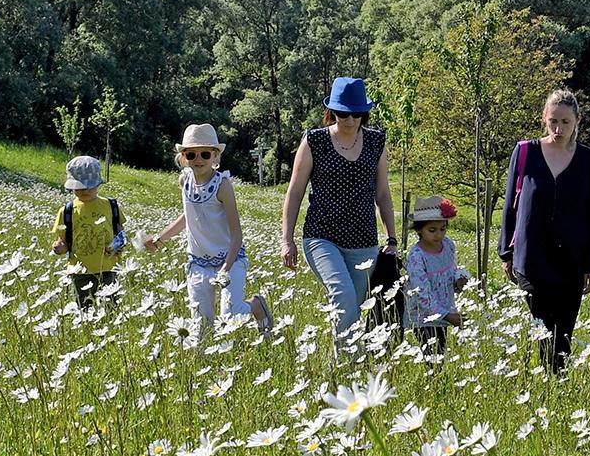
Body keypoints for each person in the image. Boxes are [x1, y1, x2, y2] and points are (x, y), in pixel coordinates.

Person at [282, 77, 397, 359]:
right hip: (321, 236)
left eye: (356, 113)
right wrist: (287, 240)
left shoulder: (376, 141)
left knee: (354, 308)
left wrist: (391, 238)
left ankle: (341, 366)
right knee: (343, 297)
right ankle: (350, 365)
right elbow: (295, 192)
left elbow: (382, 194)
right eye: (343, 113)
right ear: (332, 111)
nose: (350, 119)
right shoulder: (314, 141)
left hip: (364, 241)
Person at [498, 90, 590, 374]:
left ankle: (558, 390)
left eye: (565, 122)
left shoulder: (589, 161)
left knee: (564, 337)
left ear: (577, 121)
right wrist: (506, 254)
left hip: (572, 262)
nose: (558, 129)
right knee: (543, 332)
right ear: (544, 118)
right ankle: (546, 387)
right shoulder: (525, 153)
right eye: (553, 121)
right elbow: (510, 206)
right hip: (532, 259)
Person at [145, 124, 273, 333]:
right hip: (198, 262)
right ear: (183, 157)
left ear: (215, 156)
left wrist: (226, 267)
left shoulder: (223, 186)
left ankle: (256, 305)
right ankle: (201, 359)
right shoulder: (184, 180)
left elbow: (237, 234)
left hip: (229, 259)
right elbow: (188, 217)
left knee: (230, 316)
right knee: (201, 323)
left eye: (205, 154)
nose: (198, 160)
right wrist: (161, 237)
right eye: (191, 154)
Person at [50, 156, 126, 311]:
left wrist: (115, 246)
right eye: (78, 187)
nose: (83, 190)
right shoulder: (67, 211)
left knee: (110, 308)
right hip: (79, 271)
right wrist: (59, 247)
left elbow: (121, 234)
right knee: (84, 310)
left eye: (87, 186)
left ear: (98, 183)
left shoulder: (110, 206)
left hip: (108, 268)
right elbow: (64, 242)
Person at [404, 195, 468, 359]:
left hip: (444, 306)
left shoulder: (448, 245)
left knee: (441, 348)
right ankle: (432, 379)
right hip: (424, 315)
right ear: (419, 230)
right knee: (433, 353)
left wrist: (458, 282)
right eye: (432, 230)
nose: (438, 234)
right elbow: (421, 293)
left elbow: (451, 270)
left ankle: (435, 378)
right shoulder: (416, 257)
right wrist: (446, 315)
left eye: (443, 228)